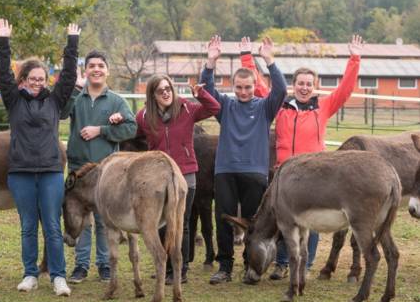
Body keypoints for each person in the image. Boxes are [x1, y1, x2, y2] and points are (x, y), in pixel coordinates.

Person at [241, 35, 362, 280]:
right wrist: (249, 57)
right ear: (293, 85)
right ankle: (282, 262)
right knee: (283, 218)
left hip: (313, 175)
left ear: (314, 86)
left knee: (310, 221)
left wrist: (355, 58)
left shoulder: (324, 107)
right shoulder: (282, 106)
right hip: (283, 173)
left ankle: (305, 265)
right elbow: (260, 85)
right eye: (300, 83)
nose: (304, 87)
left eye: (309, 83)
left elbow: (346, 89)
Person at [0, 18, 78, 296]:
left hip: (51, 172)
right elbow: (3, 76)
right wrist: (4, 41)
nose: (36, 82)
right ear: (24, 80)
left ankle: (58, 276)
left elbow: (68, 77)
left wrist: (72, 43)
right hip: (20, 172)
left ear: (46, 81)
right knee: (28, 226)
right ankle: (30, 273)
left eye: (41, 79)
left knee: (53, 226)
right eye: (32, 79)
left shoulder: (54, 101)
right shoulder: (14, 101)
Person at [201, 35, 287, 284]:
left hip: (255, 173)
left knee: (253, 222)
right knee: (224, 218)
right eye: (238, 87)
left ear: (254, 86)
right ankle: (225, 266)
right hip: (226, 171)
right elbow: (206, 92)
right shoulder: (225, 106)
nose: (243, 91)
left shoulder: (264, 107)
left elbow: (280, 90)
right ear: (233, 86)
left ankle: (250, 265)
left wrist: (269, 61)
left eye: (248, 87)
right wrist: (210, 63)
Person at [61, 51, 137, 284]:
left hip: (107, 173)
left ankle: (104, 265)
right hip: (78, 169)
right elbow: (62, 113)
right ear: (85, 71)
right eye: (91, 65)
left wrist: (102, 130)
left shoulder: (116, 101)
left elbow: (131, 129)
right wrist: (74, 88)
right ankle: (81, 266)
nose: (96, 69)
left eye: (101, 65)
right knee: (81, 219)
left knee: (105, 220)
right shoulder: (78, 97)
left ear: (107, 70)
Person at [136, 74, 220, 284]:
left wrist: (201, 94)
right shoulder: (144, 117)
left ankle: (180, 270)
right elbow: (132, 130)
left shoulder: (186, 109)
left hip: (185, 175)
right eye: (160, 90)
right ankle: (165, 267)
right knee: (162, 224)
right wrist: (118, 119)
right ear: (153, 95)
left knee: (180, 224)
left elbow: (214, 108)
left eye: (168, 88)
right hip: (158, 178)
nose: (165, 92)